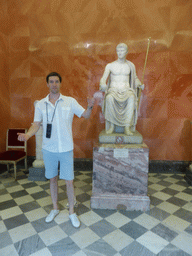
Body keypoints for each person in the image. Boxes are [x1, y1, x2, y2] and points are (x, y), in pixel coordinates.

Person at [18, 72, 95, 228]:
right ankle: (55, 208)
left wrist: (90, 106)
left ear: (60, 84)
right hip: (49, 149)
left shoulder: (69, 101)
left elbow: (85, 115)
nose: (54, 84)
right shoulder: (40, 104)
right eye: (51, 81)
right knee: (52, 179)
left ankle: (72, 212)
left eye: (57, 81)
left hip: (66, 149)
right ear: (47, 84)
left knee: (69, 181)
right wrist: (27, 135)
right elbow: (36, 124)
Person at [99, 43, 144, 135]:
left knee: (131, 98)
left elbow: (134, 78)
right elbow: (103, 78)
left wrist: (139, 84)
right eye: (118, 50)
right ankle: (111, 126)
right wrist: (102, 84)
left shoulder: (131, 65)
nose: (120, 52)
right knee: (109, 98)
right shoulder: (110, 65)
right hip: (113, 90)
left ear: (127, 52)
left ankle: (127, 127)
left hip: (126, 91)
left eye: (122, 50)